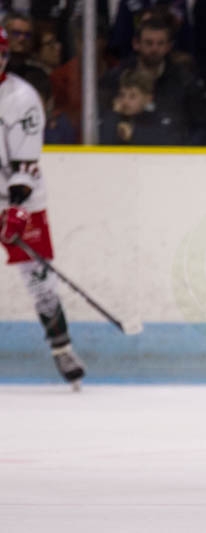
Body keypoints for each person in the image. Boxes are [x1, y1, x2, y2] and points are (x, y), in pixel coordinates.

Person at [0, 28, 85, 388]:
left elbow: (25, 162)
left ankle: (61, 347)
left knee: (39, 280)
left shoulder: (21, 98)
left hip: (20, 197)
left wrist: (16, 209)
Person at [99, 15, 206, 145]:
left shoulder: (185, 81)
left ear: (169, 46)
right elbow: (99, 122)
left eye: (160, 43)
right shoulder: (115, 78)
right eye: (149, 43)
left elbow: (201, 127)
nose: (154, 49)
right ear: (136, 44)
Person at [99, 68, 182, 145]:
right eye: (122, 95)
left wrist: (134, 135)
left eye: (132, 96)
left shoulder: (161, 119)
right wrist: (113, 114)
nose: (125, 101)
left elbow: (171, 142)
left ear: (148, 99)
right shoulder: (112, 117)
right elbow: (101, 142)